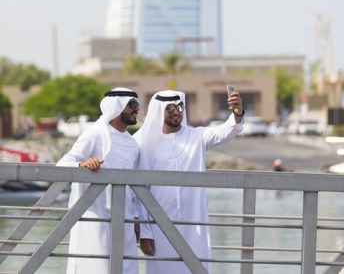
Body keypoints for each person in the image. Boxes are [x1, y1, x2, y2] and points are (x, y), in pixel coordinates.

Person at [134, 88, 244, 274]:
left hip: (194, 221)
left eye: (180, 106)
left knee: (196, 266)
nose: (176, 111)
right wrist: (144, 233)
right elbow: (138, 192)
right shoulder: (144, 142)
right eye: (170, 108)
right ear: (159, 111)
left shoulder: (197, 136)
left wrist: (237, 112)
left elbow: (227, 130)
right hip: (159, 225)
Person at [57, 87, 141, 274]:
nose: (137, 109)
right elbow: (63, 164)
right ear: (117, 106)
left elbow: (135, 189)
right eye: (132, 105)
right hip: (94, 218)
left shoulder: (134, 145)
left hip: (125, 219)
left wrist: (137, 219)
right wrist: (82, 165)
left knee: (125, 268)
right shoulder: (94, 134)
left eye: (138, 105)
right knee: (95, 268)